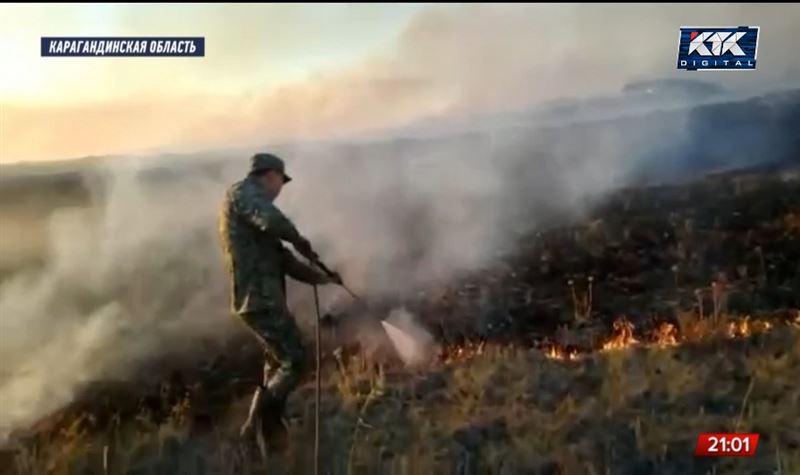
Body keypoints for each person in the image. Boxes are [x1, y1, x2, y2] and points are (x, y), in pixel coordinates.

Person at [218, 152, 341, 448]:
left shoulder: (255, 219)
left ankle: (260, 433)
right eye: (280, 181)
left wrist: (322, 277)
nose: (280, 189)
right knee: (295, 359)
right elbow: (274, 222)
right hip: (257, 298)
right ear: (269, 175)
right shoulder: (243, 194)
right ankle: (262, 426)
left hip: (262, 298)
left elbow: (284, 260)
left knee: (276, 364)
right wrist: (300, 240)